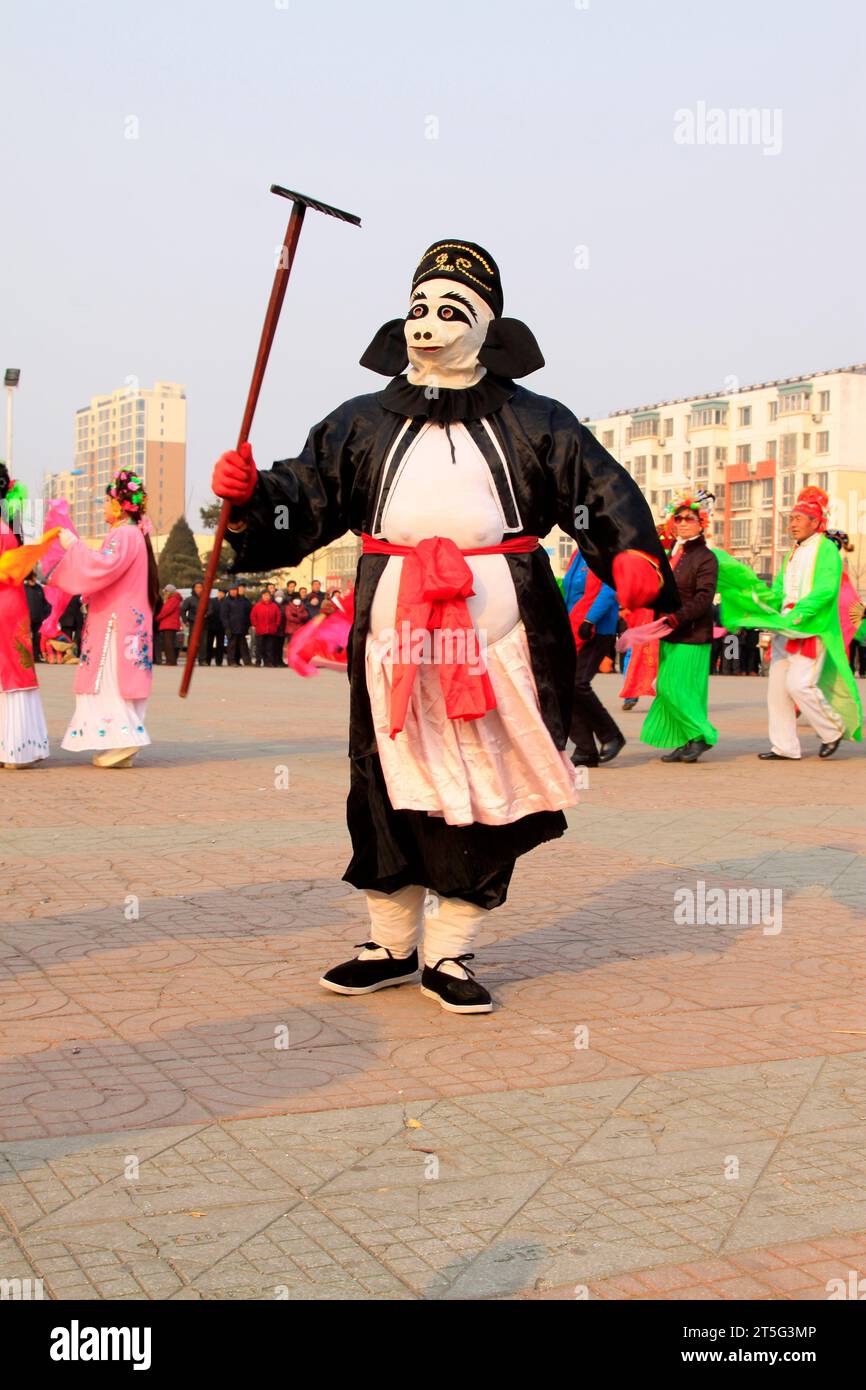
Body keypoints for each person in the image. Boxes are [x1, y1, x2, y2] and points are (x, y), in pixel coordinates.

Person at [211, 238, 674, 1014]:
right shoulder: (361, 422)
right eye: (418, 307)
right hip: (393, 637)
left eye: (450, 309)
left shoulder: (537, 420)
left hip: (505, 640)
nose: (428, 322)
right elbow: (307, 497)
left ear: (489, 327)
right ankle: (388, 942)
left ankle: (451, 950)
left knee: (487, 781)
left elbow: (600, 487)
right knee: (385, 775)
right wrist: (254, 495)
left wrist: (631, 555)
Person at [715, 487, 862, 760]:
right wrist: (763, 600)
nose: (792, 523)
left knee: (799, 685)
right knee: (778, 689)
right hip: (786, 628)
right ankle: (784, 746)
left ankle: (833, 729)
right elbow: (783, 588)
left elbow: (825, 590)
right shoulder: (793, 552)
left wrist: (799, 613)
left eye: (798, 518)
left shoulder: (827, 549)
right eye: (791, 518)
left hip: (811, 629)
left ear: (816, 522)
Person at [53, 467, 157, 768]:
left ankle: (125, 737)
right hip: (124, 621)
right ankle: (120, 741)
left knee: (108, 679)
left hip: (115, 623)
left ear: (119, 505)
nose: (103, 508)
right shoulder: (133, 534)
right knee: (118, 680)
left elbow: (103, 566)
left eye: (106, 502)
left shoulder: (124, 534)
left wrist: (74, 546)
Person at [640, 493, 718, 763]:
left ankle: (702, 735)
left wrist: (677, 618)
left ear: (701, 524)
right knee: (676, 689)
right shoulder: (672, 552)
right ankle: (685, 739)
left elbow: (704, 597)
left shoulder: (706, 557)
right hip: (669, 632)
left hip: (692, 634)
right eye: (679, 518)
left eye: (690, 519)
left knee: (672, 687)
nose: (683, 523)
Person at [0, 467, 53, 767]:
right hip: (13, 604)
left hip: (3, 602)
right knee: (16, 671)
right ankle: (19, 746)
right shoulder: (11, 525)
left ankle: (12, 747)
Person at [562, 546, 625, 767]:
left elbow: (610, 590)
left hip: (596, 630)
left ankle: (611, 735)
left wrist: (589, 619)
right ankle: (585, 749)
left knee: (578, 683)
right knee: (565, 688)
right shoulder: (577, 555)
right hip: (574, 627)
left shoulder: (606, 550)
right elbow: (568, 593)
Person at [250, 588, 282, 666]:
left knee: (269, 647)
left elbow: (278, 616)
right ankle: (258, 661)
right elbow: (253, 616)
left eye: (268, 595)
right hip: (260, 630)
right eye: (265, 595)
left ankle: (268, 662)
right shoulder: (257, 606)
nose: (266, 597)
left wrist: (276, 625)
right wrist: (255, 624)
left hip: (271, 630)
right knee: (259, 647)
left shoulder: (274, 606)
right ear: (262, 596)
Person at [221, 583, 252, 665]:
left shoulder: (241, 600)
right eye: (232, 590)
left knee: (243, 646)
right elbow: (224, 616)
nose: (233, 592)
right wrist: (227, 627)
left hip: (241, 627)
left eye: (235, 590)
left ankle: (247, 661)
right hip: (231, 627)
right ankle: (231, 661)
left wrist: (247, 625)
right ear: (229, 591)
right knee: (232, 645)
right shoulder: (226, 601)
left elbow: (246, 613)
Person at [24, 572, 51, 662]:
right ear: (29, 579)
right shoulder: (24, 588)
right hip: (27, 618)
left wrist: (45, 614)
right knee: (27, 638)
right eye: (33, 578)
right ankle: (26, 657)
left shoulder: (39, 588)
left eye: (35, 578)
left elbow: (45, 602)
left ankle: (36, 656)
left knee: (37, 638)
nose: (34, 580)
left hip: (38, 618)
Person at [181, 581, 207, 664]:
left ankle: (202, 660)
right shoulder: (189, 599)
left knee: (203, 642)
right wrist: (185, 620)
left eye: (200, 587)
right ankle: (190, 660)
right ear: (194, 588)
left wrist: (206, 615)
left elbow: (211, 609)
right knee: (192, 642)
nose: (199, 589)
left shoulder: (206, 598)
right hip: (193, 623)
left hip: (204, 623)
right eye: (197, 587)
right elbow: (182, 610)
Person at [156, 584, 181, 665]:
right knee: (168, 643)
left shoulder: (173, 599)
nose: (164, 593)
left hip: (169, 625)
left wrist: (157, 618)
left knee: (168, 644)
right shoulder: (172, 599)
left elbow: (166, 610)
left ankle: (170, 661)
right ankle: (170, 660)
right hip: (168, 624)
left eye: (166, 591)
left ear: (169, 592)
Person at [205, 586, 226, 666]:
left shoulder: (225, 602)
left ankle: (219, 661)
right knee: (209, 644)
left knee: (220, 644)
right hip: (211, 625)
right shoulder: (211, 601)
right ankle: (207, 660)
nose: (220, 594)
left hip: (221, 626)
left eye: (222, 593)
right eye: (219, 593)